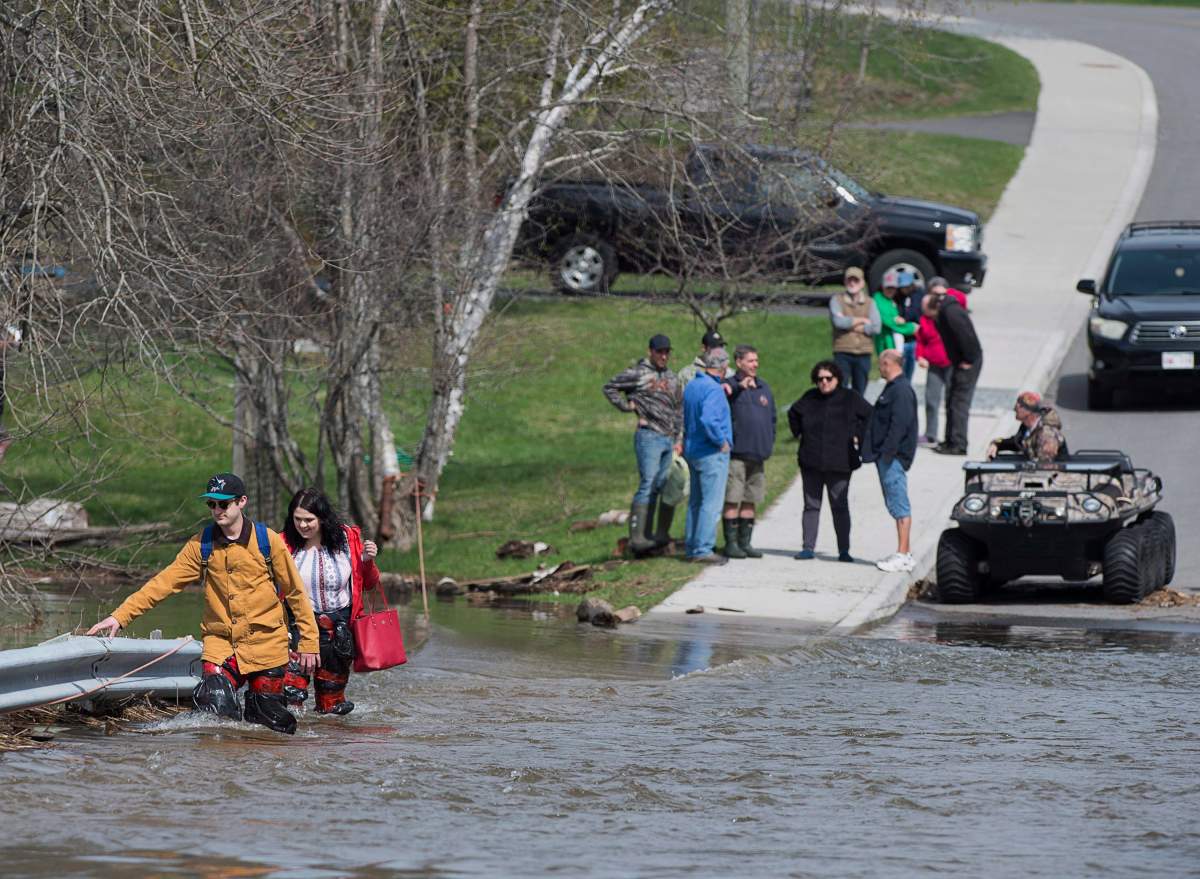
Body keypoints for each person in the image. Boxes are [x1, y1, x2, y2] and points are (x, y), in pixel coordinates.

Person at [87, 473, 320, 735]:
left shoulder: (268, 542)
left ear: (242, 502)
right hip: (222, 646)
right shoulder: (201, 545)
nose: (217, 510)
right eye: (212, 504)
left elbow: (296, 594)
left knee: (268, 723)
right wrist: (120, 616)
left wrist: (309, 643)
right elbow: (164, 583)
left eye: (224, 504)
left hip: (267, 644)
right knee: (216, 711)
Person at [279, 488, 380, 715]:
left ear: (322, 518)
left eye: (309, 520)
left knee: (332, 703)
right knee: (290, 697)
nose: (302, 525)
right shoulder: (282, 543)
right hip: (297, 629)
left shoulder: (347, 538)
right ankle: (290, 747)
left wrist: (367, 561)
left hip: (339, 632)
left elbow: (370, 583)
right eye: (297, 519)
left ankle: (331, 747)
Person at [602, 334, 684, 554]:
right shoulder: (638, 373)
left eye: (667, 352)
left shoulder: (673, 378)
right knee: (647, 483)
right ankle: (637, 537)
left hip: (669, 438)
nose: (664, 356)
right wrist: (626, 407)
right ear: (651, 351)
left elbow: (679, 409)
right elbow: (609, 387)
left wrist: (679, 438)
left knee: (660, 485)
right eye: (660, 352)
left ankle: (652, 536)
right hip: (649, 436)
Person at [786, 359, 873, 562]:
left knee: (839, 506)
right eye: (819, 379)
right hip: (811, 461)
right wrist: (799, 433)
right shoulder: (810, 398)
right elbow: (794, 413)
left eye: (828, 378)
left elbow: (870, 414)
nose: (824, 382)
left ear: (837, 379)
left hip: (840, 462)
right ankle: (808, 547)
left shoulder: (850, 398)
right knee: (811, 505)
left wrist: (858, 436)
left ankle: (844, 550)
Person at [862, 350, 919, 573]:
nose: (879, 368)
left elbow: (900, 424)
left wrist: (888, 453)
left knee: (899, 504)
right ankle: (903, 551)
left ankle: (903, 554)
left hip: (892, 458)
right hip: (887, 457)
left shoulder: (901, 391)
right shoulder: (893, 388)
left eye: (881, 364)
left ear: (888, 364)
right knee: (894, 503)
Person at [720, 345, 776, 559]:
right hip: (737, 454)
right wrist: (738, 388)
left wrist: (768, 443)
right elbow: (720, 402)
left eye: (756, 360)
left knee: (751, 499)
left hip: (758, 454)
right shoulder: (729, 386)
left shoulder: (763, 387)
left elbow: (772, 419)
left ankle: (746, 542)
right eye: (751, 361)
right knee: (733, 498)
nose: (755, 364)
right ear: (739, 362)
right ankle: (731, 544)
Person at [683, 347, 733, 565]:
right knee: (711, 504)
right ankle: (703, 548)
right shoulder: (713, 390)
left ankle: (692, 545)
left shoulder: (693, 384)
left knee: (695, 502)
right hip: (710, 452)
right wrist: (721, 441)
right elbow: (709, 420)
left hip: (692, 449)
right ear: (722, 367)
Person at [930, 291, 983, 456]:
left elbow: (966, 336)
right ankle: (950, 440)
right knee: (951, 400)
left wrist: (968, 359)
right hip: (959, 361)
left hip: (967, 363)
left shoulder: (951, 312)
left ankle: (959, 443)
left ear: (934, 307)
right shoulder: (946, 312)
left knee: (959, 403)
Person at [829, 266, 880, 395]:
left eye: (856, 280)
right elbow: (838, 322)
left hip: (863, 353)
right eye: (849, 280)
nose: (852, 283)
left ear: (862, 283)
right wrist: (862, 320)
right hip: (842, 351)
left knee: (860, 391)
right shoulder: (836, 300)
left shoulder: (870, 302)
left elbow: (876, 327)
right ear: (845, 282)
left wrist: (850, 323)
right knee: (840, 389)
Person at [987, 391, 1068, 464]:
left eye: (1020, 405)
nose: (1015, 408)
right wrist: (996, 443)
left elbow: (1045, 467)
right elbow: (1016, 443)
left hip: (1056, 476)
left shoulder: (1047, 434)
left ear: (1029, 412)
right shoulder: (1027, 428)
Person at [915, 292, 952, 447]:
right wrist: (920, 356)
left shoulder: (948, 318)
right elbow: (920, 341)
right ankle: (931, 434)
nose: (924, 311)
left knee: (952, 401)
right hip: (934, 365)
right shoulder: (924, 321)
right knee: (931, 400)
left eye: (926, 308)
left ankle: (951, 436)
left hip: (950, 364)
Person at [873, 271, 916, 380]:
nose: (891, 290)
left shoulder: (890, 300)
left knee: (900, 377)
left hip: (894, 343)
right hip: (885, 344)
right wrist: (910, 328)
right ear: (882, 287)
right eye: (888, 287)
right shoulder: (878, 299)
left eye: (893, 288)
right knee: (892, 376)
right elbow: (888, 322)